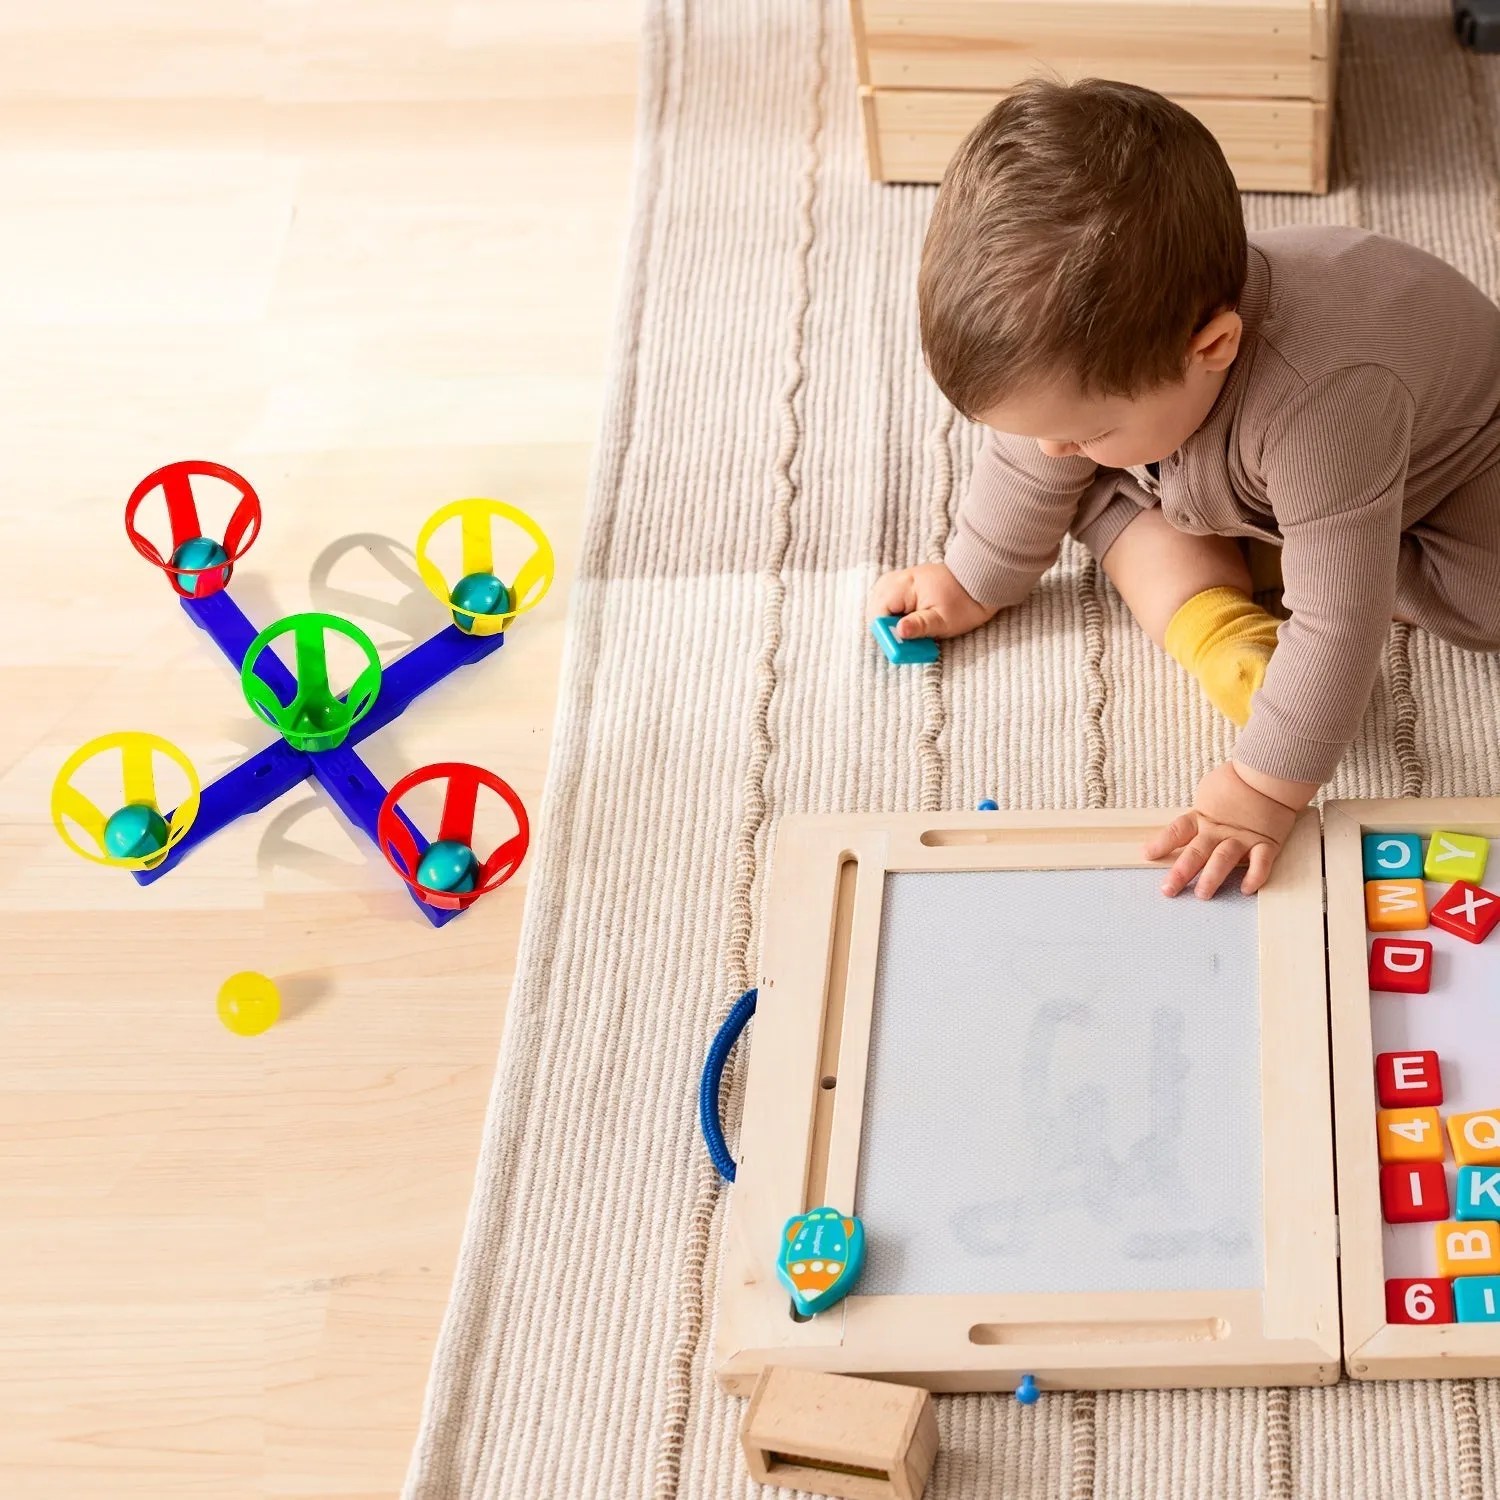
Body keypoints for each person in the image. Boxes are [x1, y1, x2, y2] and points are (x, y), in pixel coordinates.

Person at [871, 77, 1500, 897]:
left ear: (1213, 345)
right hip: (1256, 470)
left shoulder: (1325, 399)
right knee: (1084, 486)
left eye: (1086, 428)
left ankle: (1304, 558)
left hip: (1447, 485)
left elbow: (1342, 624)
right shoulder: (1126, 375)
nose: (1053, 446)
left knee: (1473, 596)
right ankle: (1220, 617)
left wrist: (1263, 787)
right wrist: (975, 576)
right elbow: (1042, 452)